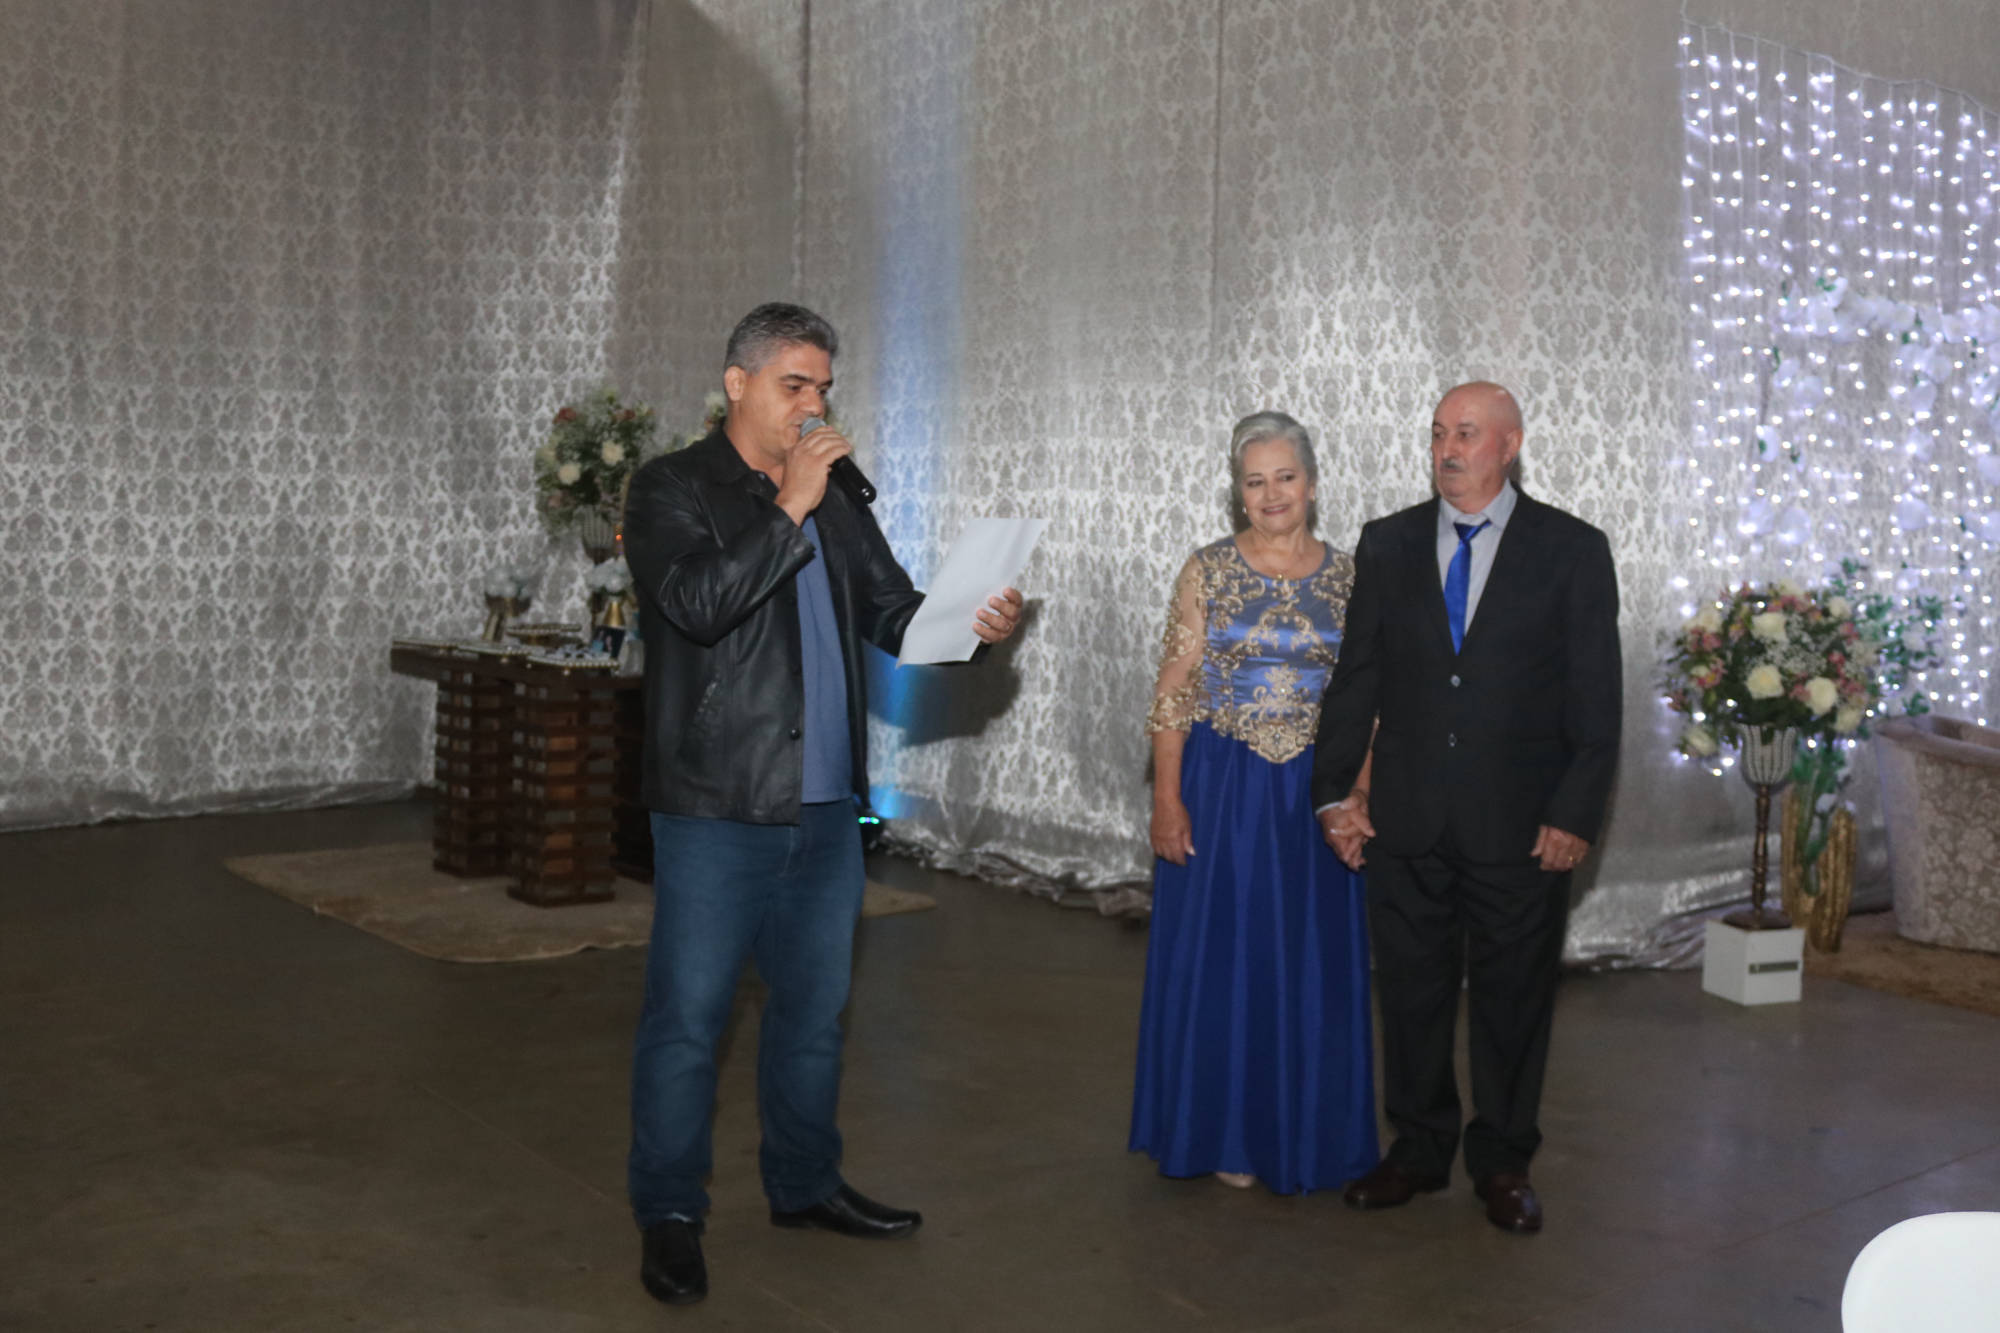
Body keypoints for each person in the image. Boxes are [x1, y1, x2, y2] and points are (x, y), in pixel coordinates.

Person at [621, 302, 1024, 1306]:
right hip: (718, 807)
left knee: (811, 1016)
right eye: (793, 384)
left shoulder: (835, 494)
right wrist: (788, 504)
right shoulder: (672, 486)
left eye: (823, 388)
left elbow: (892, 612)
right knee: (688, 1021)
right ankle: (668, 1212)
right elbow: (698, 606)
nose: (813, 404)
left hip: (827, 808)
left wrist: (974, 625)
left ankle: (803, 1184)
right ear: (737, 384)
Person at [1312, 382, 1621, 1235]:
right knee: (1411, 992)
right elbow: (1357, 678)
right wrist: (1335, 792)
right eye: (1440, 433)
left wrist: (1574, 812)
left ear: (1510, 445)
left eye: (1469, 434)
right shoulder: (1388, 542)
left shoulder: (1571, 549)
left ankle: (1504, 1160)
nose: (1449, 448)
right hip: (1405, 819)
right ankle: (1417, 1148)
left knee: (1513, 1000)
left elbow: (1596, 699)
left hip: (1521, 825)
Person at [1128, 411, 1380, 1196]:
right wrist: (1167, 799)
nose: (1272, 494)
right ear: (1238, 492)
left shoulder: (1352, 577)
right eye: (1255, 480)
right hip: (1224, 787)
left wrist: (1358, 795)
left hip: (1315, 794)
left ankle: (1306, 1128)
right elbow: (1174, 692)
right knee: (1225, 960)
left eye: (1285, 477)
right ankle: (1223, 1130)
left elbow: (1371, 705)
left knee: (1308, 961)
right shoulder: (1206, 569)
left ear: (1313, 483)